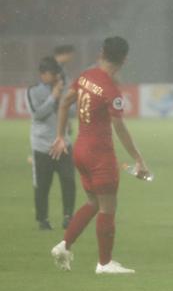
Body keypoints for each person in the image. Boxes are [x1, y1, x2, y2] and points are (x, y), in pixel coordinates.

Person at [49, 36, 150, 274]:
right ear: (124, 59)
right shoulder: (110, 89)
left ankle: (64, 245)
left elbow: (64, 103)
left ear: (102, 52)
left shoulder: (86, 76)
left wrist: (61, 136)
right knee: (107, 207)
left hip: (80, 150)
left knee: (94, 202)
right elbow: (120, 127)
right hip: (100, 155)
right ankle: (104, 263)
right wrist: (138, 158)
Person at [26, 56, 76, 230]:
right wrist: (53, 97)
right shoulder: (33, 91)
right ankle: (43, 220)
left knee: (69, 181)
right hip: (43, 146)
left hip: (63, 144)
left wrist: (64, 98)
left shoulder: (63, 89)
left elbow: (72, 111)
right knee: (43, 185)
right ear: (42, 74)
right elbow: (37, 114)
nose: (55, 77)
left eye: (56, 73)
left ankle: (68, 216)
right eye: (51, 73)